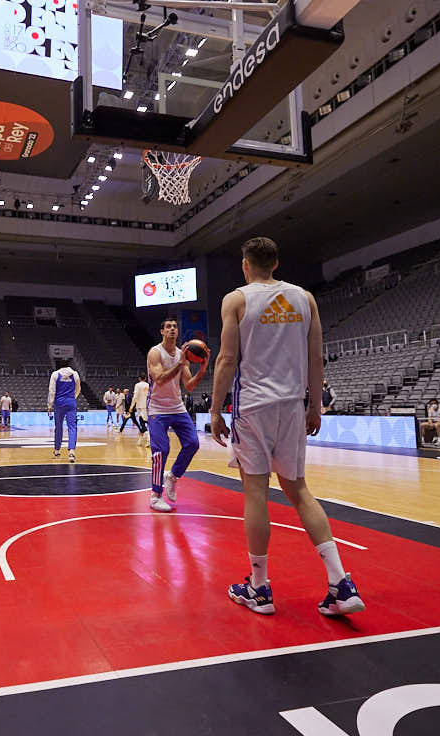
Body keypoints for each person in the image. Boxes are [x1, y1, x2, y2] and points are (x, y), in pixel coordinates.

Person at [209, 237, 365, 617]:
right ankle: (339, 582)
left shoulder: (236, 300)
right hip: (293, 406)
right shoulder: (305, 298)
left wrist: (215, 410)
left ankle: (259, 588)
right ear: (276, 264)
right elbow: (315, 357)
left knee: (256, 493)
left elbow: (227, 359)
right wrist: (315, 405)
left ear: (246, 265)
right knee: (298, 490)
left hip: (254, 407)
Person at [147, 318, 210, 512]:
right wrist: (180, 364)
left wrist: (202, 370)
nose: (172, 329)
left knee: (193, 443)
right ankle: (155, 495)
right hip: (157, 408)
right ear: (162, 332)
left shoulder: (183, 354)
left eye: (175, 326)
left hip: (177, 407)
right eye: (168, 327)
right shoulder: (155, 352)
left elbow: (189, 385)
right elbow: (159, 378)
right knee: (161, 451)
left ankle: (172, 476)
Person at [48, 359, 81, 462]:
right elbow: (78, 389)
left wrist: (49, 405)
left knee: (58, 427)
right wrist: (73, 398)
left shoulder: (55, 374)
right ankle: (71, 452)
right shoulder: (75, 374)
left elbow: (52, 391)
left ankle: (57, 450)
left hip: (59, 403)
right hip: (71, 403)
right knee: (72, 427)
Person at [127, 373, 150, 447]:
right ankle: (139, 441)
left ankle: (149, 439)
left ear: (139, 378)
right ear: (145, 378)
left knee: (142, 424)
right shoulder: (148, 385)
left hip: (140, 407)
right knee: (145, 424)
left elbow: (135, 396)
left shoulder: (137, 385)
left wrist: (131, 407)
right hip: (148, 407)